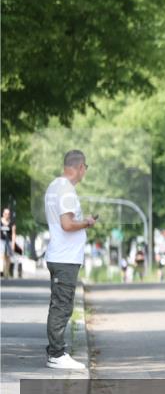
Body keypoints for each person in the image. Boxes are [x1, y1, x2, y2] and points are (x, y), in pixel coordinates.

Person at [43, 150, 96, 370]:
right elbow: (67, 224)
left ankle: (56, 351)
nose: (85, 172)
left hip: (60, 255)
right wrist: (87, 222)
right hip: (64, 257)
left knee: (59, 304)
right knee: (62, 307)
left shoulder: (54, 186)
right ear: (80, 167)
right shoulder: (66, 191)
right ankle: (56, 354)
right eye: (86, 168)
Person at [1, 207, 13, 278]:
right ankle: (2, 271)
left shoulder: (11, 223)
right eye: (5, 213)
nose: (7, 215)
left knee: (8, 257)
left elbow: (14, 234)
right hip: (1, 241)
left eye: (8, 214)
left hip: (9, 241)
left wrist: (13, 244)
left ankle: (6, 272)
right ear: (3, 214)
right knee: (1, 256)